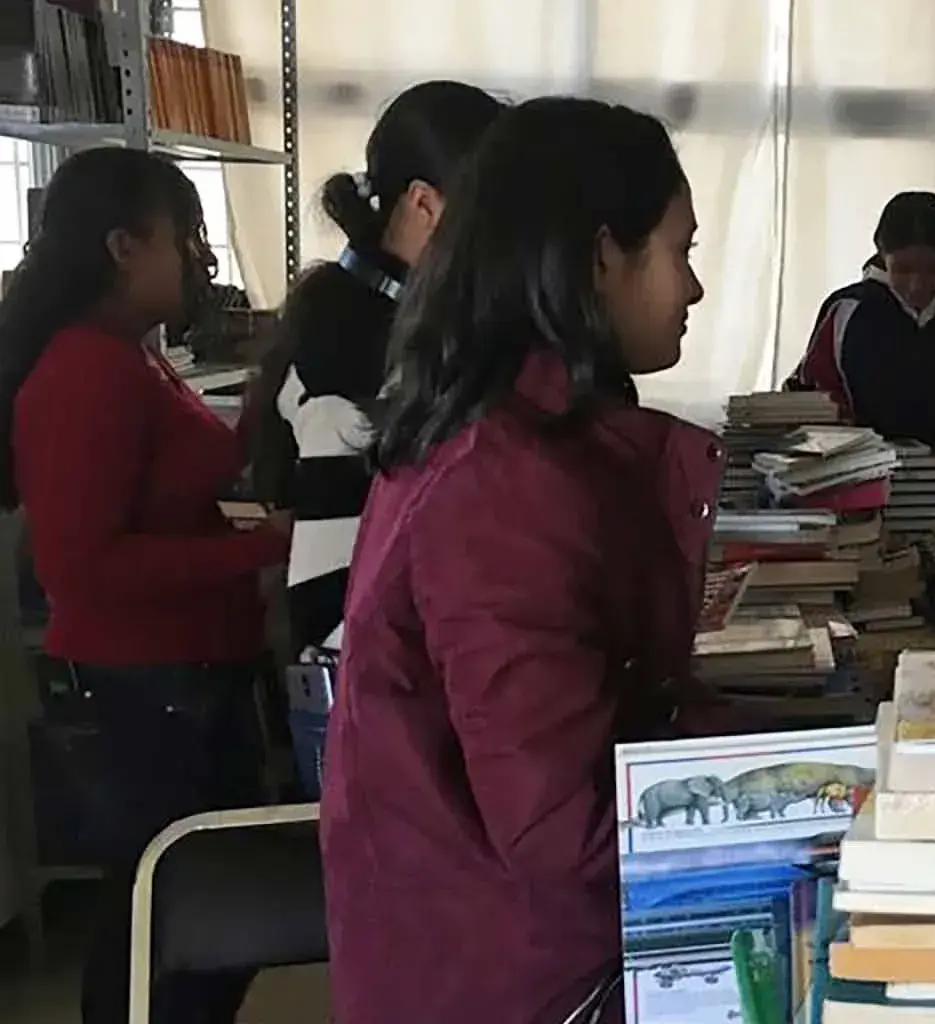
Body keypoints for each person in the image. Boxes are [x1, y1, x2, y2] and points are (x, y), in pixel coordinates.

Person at [322, 97, 749, 1024]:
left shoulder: (508, 427)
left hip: (498, 948)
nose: (693, 289)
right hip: (525, 980)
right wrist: (816, 808)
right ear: (600, 258)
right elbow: (564, 830)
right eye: (681, 251)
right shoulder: (504, 481)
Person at [0, 148, 289, 1024]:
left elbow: (183, 475)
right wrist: (257, 551)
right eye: (184, 236)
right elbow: (83, 568)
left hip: (189, 676)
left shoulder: (135, 356)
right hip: (149, 689)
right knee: (173, 929)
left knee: (197, 918)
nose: (199, 257)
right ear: (124, 247)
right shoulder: (85, 370)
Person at [248, 80, 504, 654]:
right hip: (370, 684)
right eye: (495, 217)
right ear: (424, 204)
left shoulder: (382, 315)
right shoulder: (351, 352)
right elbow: (328, 611)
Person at [783, 190, 935, 440]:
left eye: (934, 270)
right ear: (883, 258)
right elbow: (808, 402)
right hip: (862, 461)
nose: (917, 285)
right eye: (902, 269)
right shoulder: (846, 310)